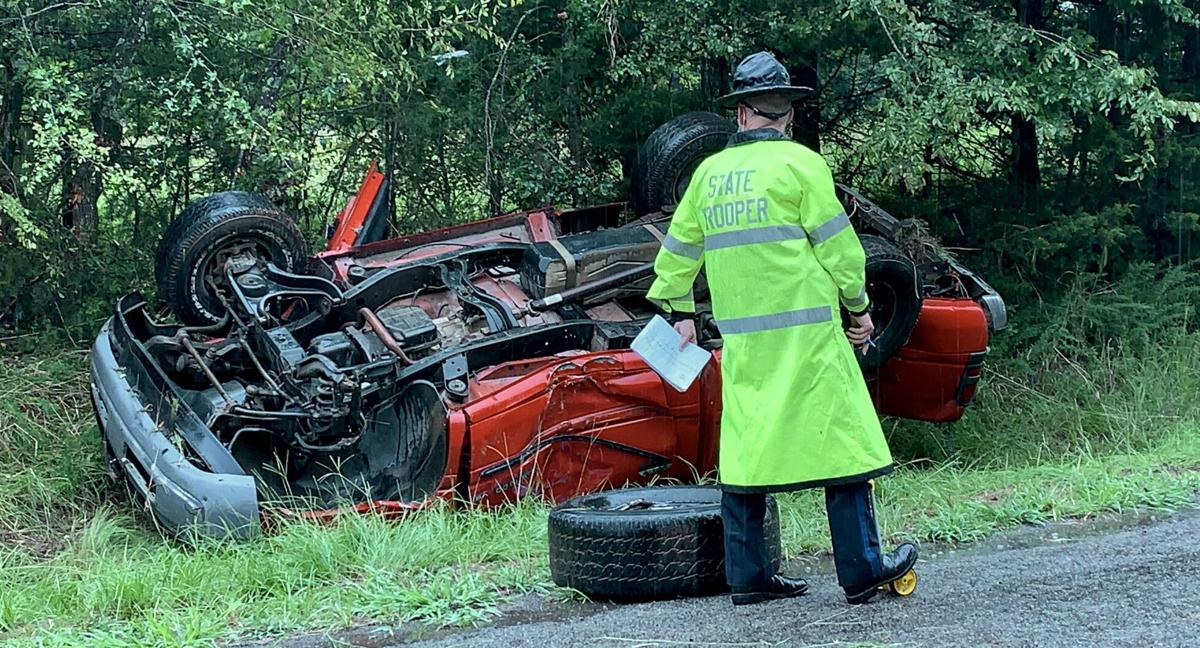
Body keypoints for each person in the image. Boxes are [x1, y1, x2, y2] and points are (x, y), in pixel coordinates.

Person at [645, 51, 917, 606]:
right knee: (843, 446)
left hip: (745, 342)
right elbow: (841, 248)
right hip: (809, 336)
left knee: (747, 451)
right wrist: (859, 306)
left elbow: (674, 257)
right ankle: (863, 568)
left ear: (741, 114)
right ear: (787, 113)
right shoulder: (802, 165)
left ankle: (749, 577)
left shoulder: (707, 176)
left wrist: (680, 314)